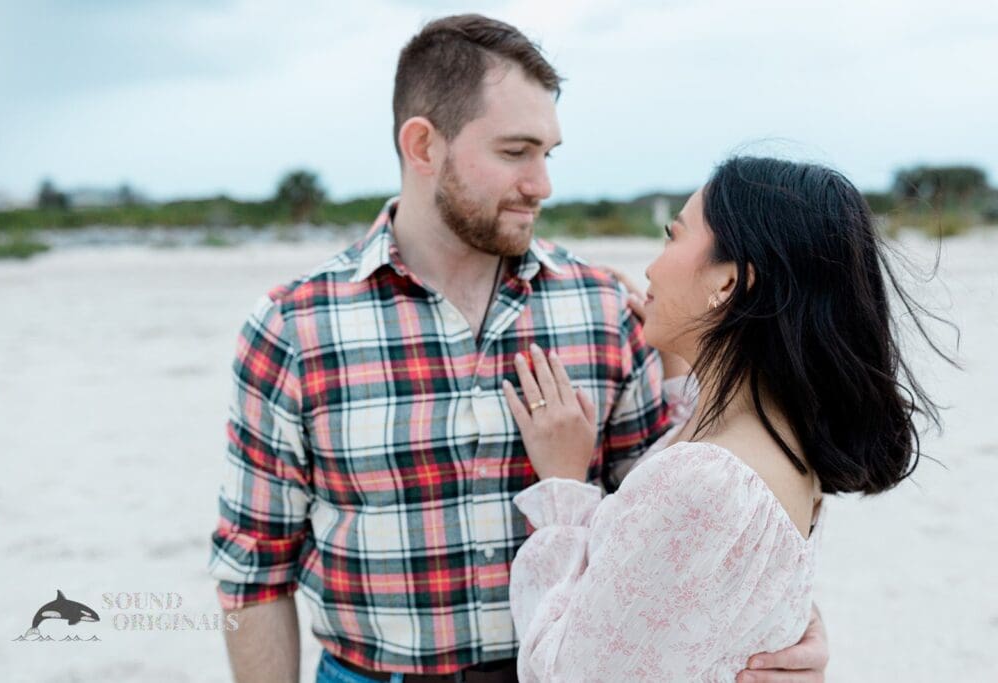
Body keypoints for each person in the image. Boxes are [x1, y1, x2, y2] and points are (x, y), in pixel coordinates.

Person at [207, 15, 828, 683]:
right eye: (515, 152)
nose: (543, 183)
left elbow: (677, 540)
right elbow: (255, 571)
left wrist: (788, 637)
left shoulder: (602, 310)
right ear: (422, 145)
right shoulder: (292, 329)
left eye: (548, 154)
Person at [502, 156, 946, 681]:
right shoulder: (783, 436)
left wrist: (563, 483)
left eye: (673, 236)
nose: (650, 267)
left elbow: (561, 673)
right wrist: (682, 355)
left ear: (730, 282)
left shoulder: (702, 483)